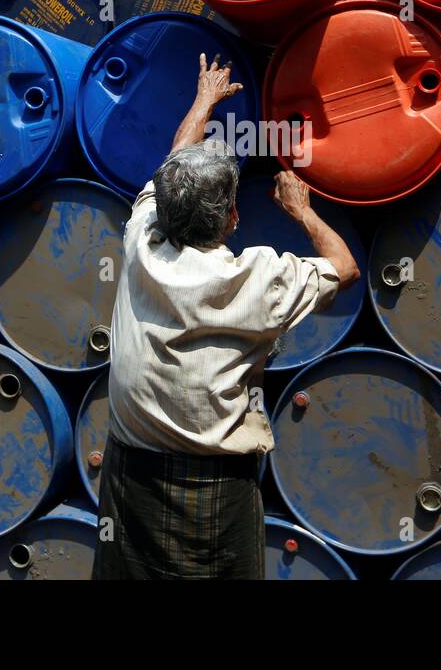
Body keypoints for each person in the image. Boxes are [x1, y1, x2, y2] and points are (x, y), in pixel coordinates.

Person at [93, 53, 361, 580]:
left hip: (130, 466)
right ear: (234, 218)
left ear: (165, 206)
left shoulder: (143, 240)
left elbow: (176, 158)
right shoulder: (257, 280)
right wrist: (302, 210)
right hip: (212, 481)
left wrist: (204, 100)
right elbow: (344, 268)